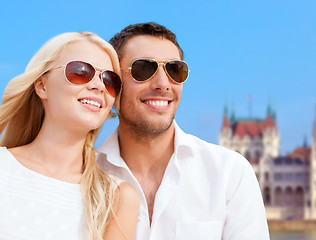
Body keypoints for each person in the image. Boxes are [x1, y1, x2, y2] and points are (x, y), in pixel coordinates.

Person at [0, 32, 139, 240]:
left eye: (110, 81)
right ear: (42, 86)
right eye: (81, 71)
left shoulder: (118, 197)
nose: (99, 86)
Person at [97, 22, 270, 240]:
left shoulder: (230, 173)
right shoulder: (84, 179)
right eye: (143, 69)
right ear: (112, 82)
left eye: (174, 70)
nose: (163, 84)